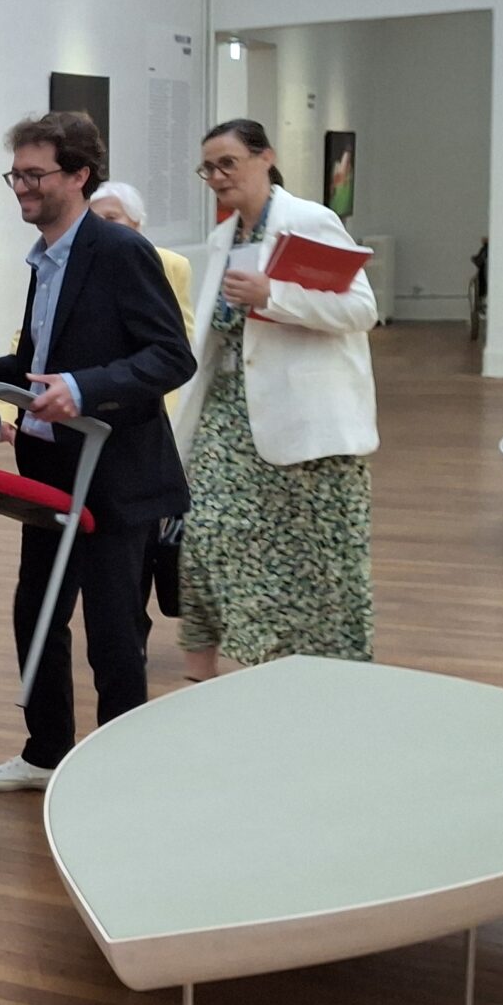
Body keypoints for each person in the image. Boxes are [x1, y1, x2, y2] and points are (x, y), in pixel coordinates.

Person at [0, 113, 195, 794]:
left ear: (79, 175)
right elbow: (37, 361)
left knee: (114, 633)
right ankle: (46, 754)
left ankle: (123, 775)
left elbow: (171, 356)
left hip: (116, 475)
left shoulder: (120, 252)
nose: (21, 188)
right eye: (15, 175)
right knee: (35, 614)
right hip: (49, 473)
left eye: (34, 175)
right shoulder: (44, 260)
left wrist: (85, 388)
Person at [176, 119, 379, 678]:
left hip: (304, 418)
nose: (218, 176)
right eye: (208, 168)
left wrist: (274, 295)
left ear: (266, 158)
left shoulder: (310, 221)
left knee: (313, 557)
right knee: (207, 534)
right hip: (226, 410)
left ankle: (321, 674)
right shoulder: (223, 238)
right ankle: (211, 669)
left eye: (228, 163)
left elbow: (362, 310)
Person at [88, 180, 196, 642]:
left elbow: (177, 345)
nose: (102, 227)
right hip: (93, 414)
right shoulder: (73, 265)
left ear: (137, 224)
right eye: (95, 218)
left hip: (150, 415)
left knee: (143, 536)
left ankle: (140, 628)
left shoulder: (168, 264)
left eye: (112, 218)